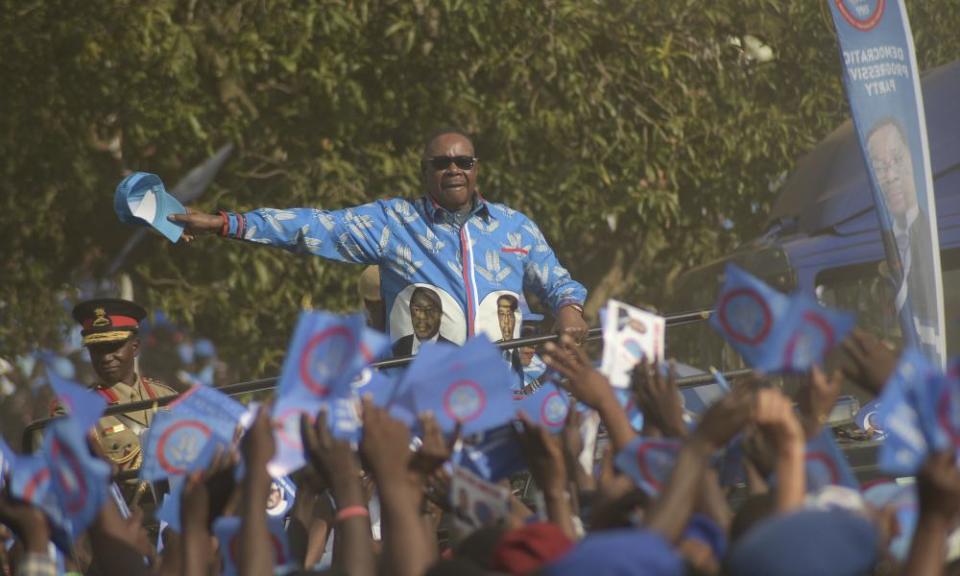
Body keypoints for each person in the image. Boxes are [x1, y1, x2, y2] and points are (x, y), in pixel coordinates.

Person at [170, 129, 589, 354]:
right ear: (425, 172)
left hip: (507, 388)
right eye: (441, 163)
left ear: (477, 169)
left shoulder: (515, 226)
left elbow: (559, 283)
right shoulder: (394, 222)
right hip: (424, 398)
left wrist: (570, 312)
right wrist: (226, 223)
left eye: (464, 161)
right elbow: (312, 227)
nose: (454, 169)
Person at [68, 298, 177, 473]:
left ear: (135, 347)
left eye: (113, 347)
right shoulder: (76, 409)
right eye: (96, 350)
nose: (105, 358)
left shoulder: (166, 396)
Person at [866, 119, 938, 354]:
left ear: (912, 158)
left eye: (897, 160)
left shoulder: (934, 238)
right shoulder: (879, 245)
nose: (891, 176)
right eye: (879, 167)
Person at [392, 286, 454, 356]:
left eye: (429, 310)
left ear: (440, 314)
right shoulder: (396, 348)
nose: (422, 317)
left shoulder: (454, 352)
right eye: (417, 309)